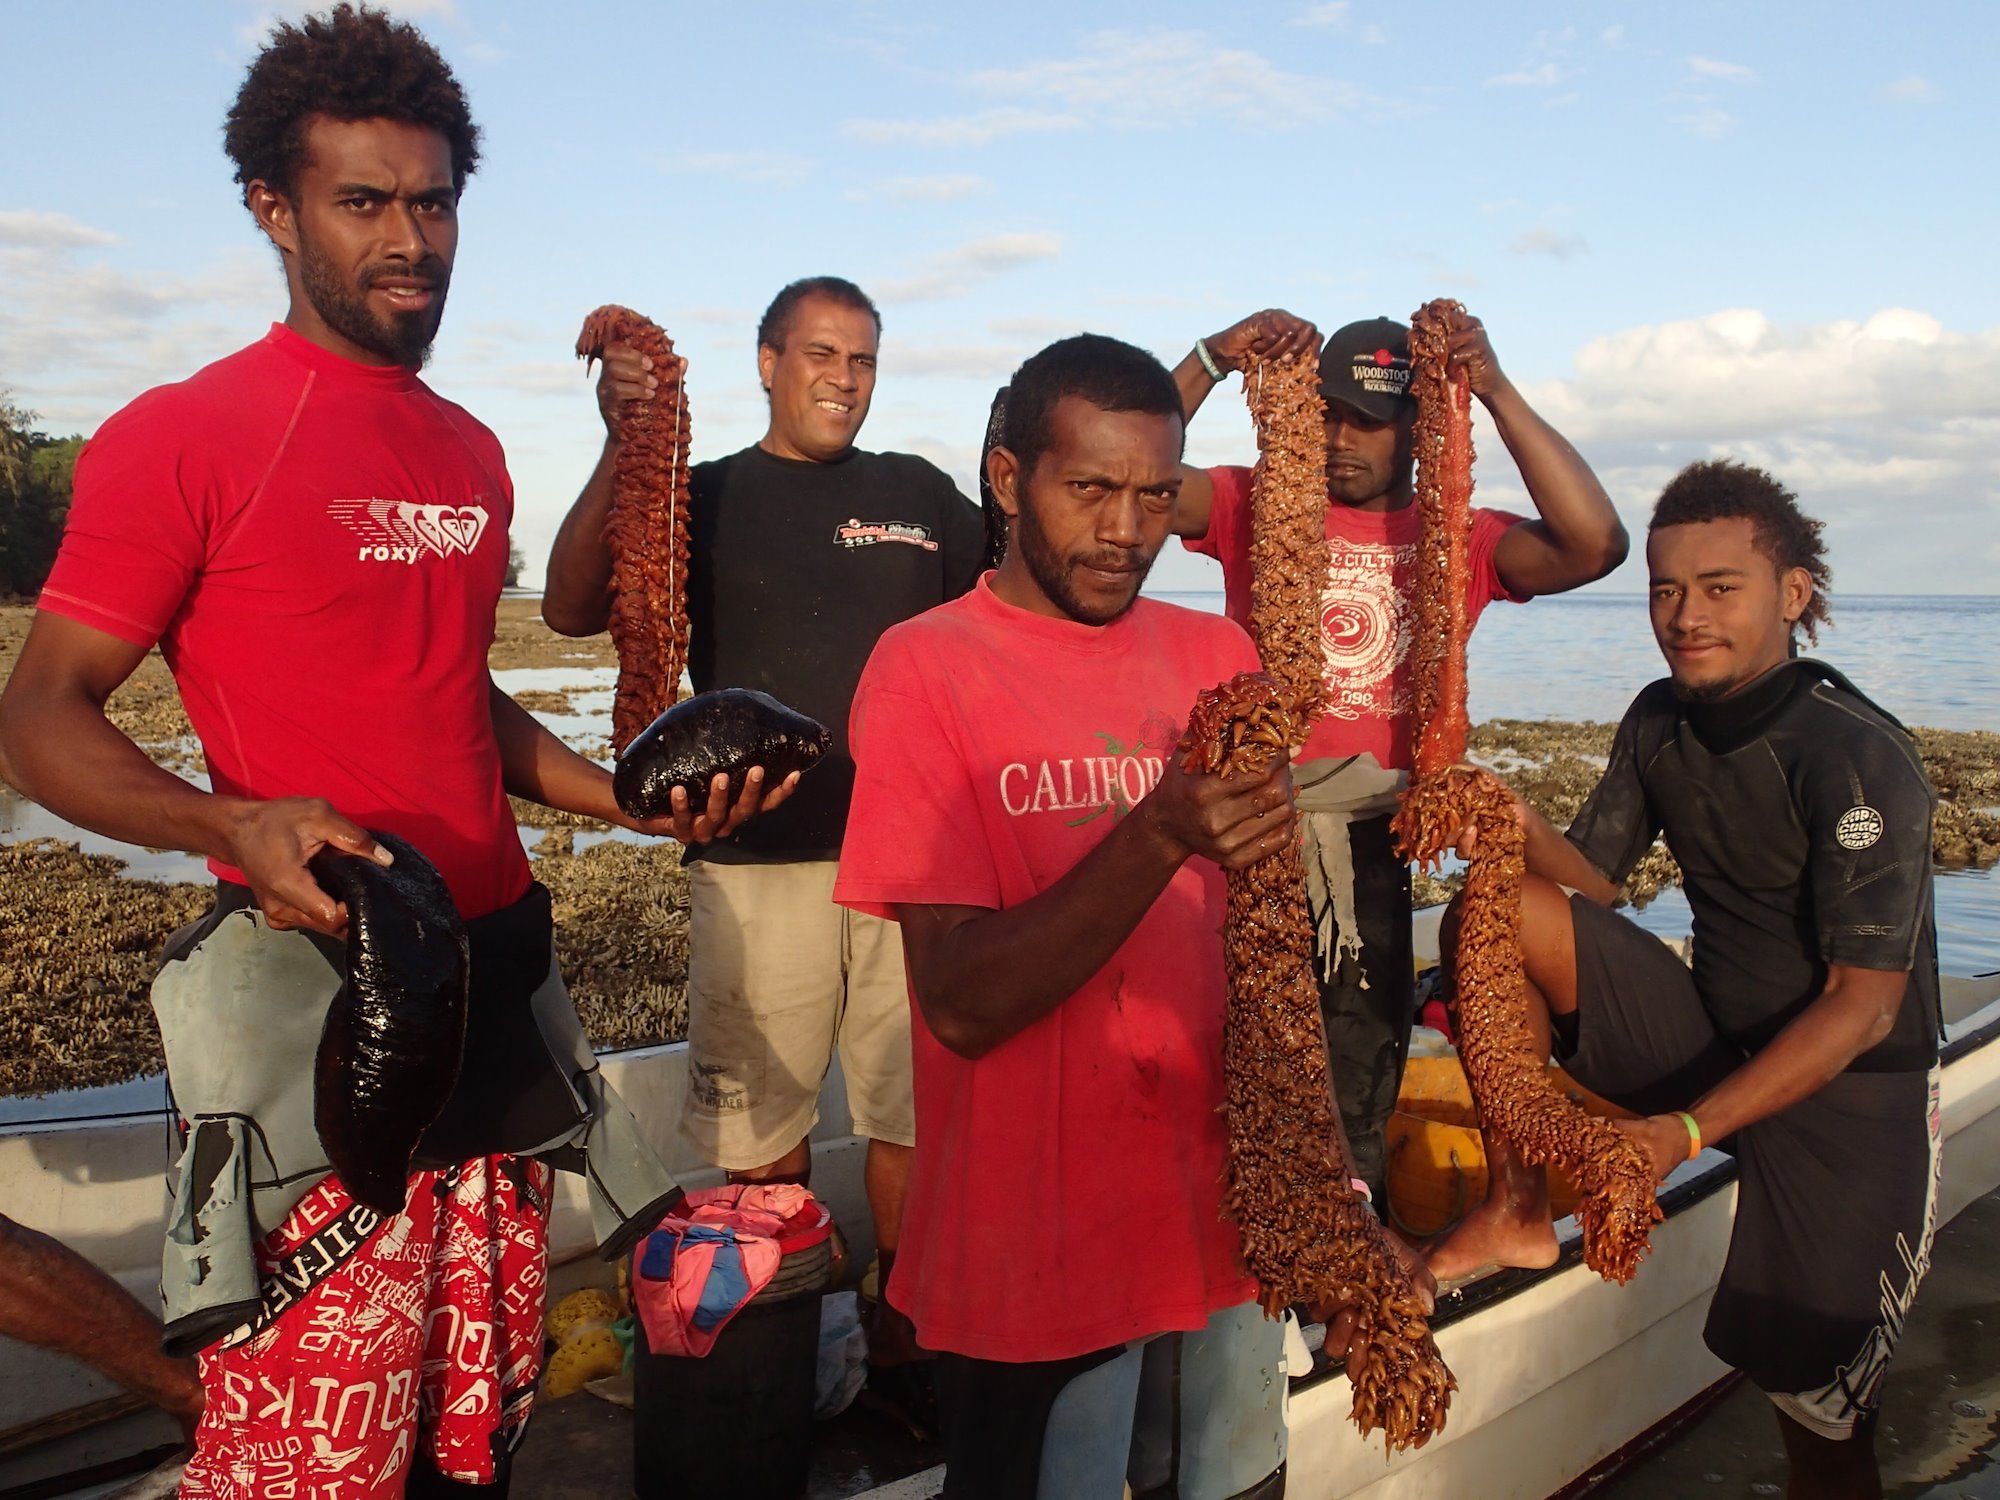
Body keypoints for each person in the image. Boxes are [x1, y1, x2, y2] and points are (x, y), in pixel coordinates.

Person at [0, 7, 686, 1493]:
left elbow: (458, 700)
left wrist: (618, 798)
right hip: (326, 1020)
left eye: (432, 201)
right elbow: (41, 715)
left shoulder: (465, 451)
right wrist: (225, 823)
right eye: (363, 202)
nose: (411, 239)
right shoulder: (183, 436)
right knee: (307, 1456)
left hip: (499, 995)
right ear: (273, 208)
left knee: (471, 1437)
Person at [835, 333, 1329, 1499]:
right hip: (1034, 1250)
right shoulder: (925, 670)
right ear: (1006, 481)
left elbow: (1270, 966)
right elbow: (955, 1001)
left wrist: (1321, 1179)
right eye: (1089, 489)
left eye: (1154, 495)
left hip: (1222, 1215)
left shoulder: (1217, 654)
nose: (1125, 531)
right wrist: (1156, 832)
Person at [1428, 461, 1940, 1500]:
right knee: (1490, 904)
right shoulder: (1659, 718)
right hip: (1707, 1034)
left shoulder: (1852, 756)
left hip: (1850, 1091)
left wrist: (1683, 1135)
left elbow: (1863, 1005)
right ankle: (1516, 1203)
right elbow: (1597, 888)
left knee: (1818, 1417)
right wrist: (1510, 822)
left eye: (1718, 587)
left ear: (1791, 595)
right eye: (1663, 589)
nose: (1682, 615)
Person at [541, 275, 986, 1384]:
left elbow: (1016, 598)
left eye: (862, 360)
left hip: (914, 858)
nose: (842, 378)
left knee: (914, 1119)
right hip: (749, 862)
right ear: (766, 362)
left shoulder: (918, 492)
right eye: (820, 355)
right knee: (757, 1131)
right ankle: (769, 1348)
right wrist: (622, 442)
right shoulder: (700, 494)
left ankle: (905, 1336)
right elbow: (567, 605)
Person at [1170, 307, 1629, 1196]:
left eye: (1370, 419)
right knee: (1221, 1062)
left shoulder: (1463, 539)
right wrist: (1208, 359)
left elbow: (1595, 543)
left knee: (1357, 1073)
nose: (1341, 436)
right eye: (1328, 411)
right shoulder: (1251, 502)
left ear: (1421, 429)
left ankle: (1349, 1263)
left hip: (1373, 846)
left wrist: (1491, 389)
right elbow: (1137, 473)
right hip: (1243, 830)